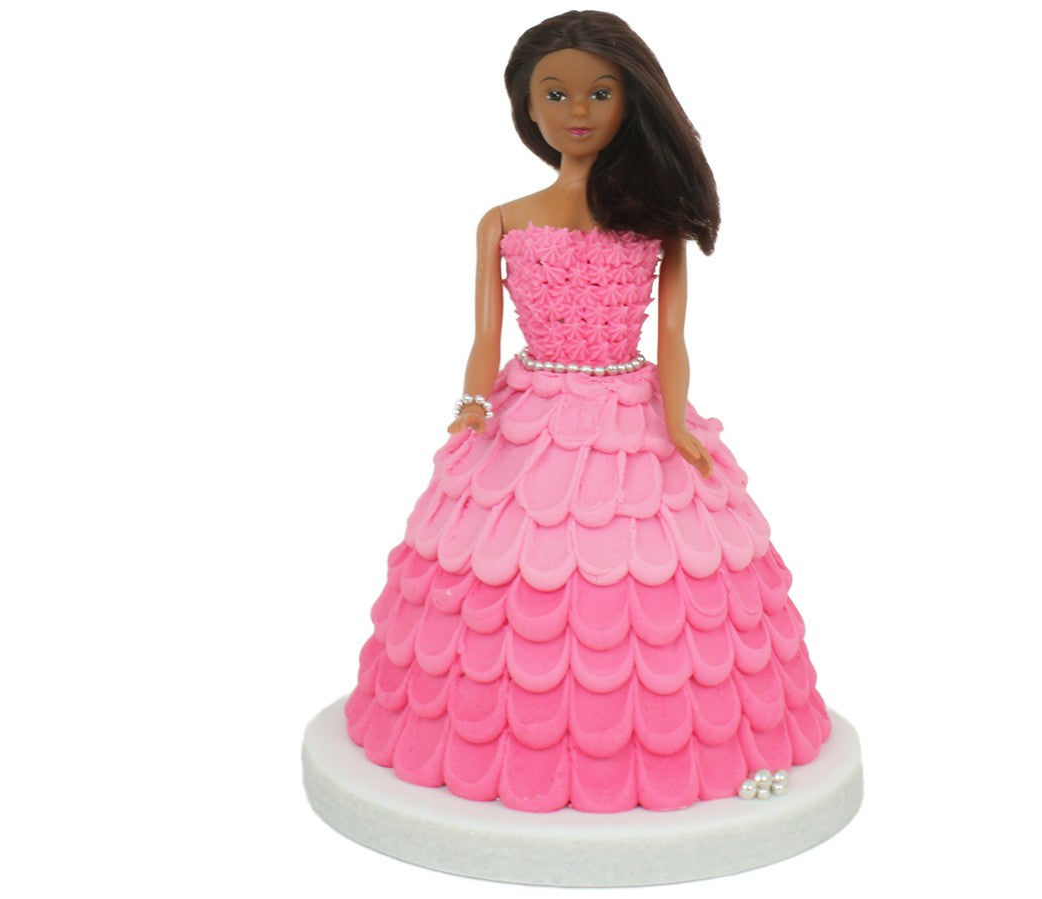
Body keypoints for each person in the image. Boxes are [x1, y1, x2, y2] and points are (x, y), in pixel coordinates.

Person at [344, 10, 833, 813]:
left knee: (662, 577)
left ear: (630, 101)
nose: (578, 109)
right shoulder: (503, 219)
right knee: (500, 570)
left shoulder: (655, 224)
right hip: (528, 421)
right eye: (556, 93)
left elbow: (671, 335)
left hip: (630, 414)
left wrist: (676, 420)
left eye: (600, 92)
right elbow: (484, 334)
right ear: (526, 107)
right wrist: (472, 405)